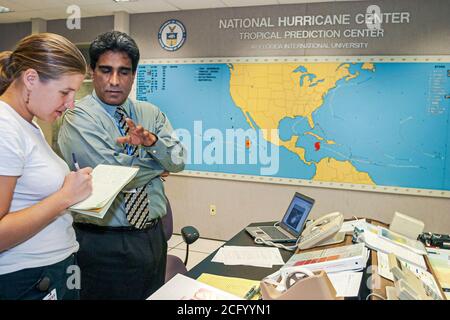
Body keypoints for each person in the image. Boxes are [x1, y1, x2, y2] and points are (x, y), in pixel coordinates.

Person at [58, 31, 186, 300]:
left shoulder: (149, 113)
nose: (114, 81)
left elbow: (178, 160)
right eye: (106, 70)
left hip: (151, 237)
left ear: (133, 74)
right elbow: (109, 175)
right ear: (92, 71)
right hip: (103, 242)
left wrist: (150, 142)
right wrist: (156, 164)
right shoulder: (78, 117)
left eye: (124, 72)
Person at [0, 33, 93, 300]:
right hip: (27, 278)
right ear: (31, 79)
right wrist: (64, 197)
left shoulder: (27, 123)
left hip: (50, 270)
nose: (70, 103)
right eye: (65, 92)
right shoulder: (5, 126)